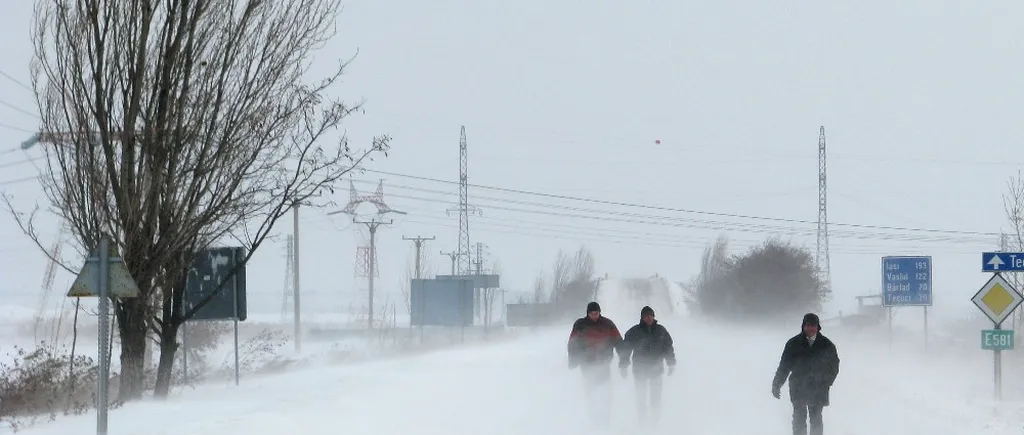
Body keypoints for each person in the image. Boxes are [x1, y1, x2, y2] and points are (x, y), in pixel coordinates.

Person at [771, 313, 840, 435]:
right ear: (803, 326)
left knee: (816, 418)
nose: (811, 328)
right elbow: (784, 366)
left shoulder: (827, 345)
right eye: (808, 325)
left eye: (813, 326)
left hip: (819, 387)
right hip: (798, 386)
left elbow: (834, 366)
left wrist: (826, 381)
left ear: (818, 327)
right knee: (798, 419)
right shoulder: (793, 344)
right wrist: (777, 384)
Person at [567, 301, 624, 427]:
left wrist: (623, 359)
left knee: (605, 393)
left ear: (600, 312)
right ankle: (593, 420)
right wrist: (573, 360)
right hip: (587, 365)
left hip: (604, 364)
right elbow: (572, 343)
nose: (595, 316)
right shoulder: (580, 324)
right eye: (592, 313)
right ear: (588, 313)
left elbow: (618, 341)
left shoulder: (607, 324)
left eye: (597, 313)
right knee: (591, 393)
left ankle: (605, 420)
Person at [618, 305, 675, 424]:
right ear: (641, 318)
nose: (648, 318)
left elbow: (668, 347)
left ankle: (655, 422)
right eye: (645, 316)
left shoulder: (661, 330)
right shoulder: (634, 331)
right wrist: (623, 365)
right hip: (640, 369)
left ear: (654, 317)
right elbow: (626, 349)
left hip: (657, 368)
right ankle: (642, 422)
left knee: (656, 397)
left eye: (650, 315)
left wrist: (671, 363)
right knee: (641, 397)